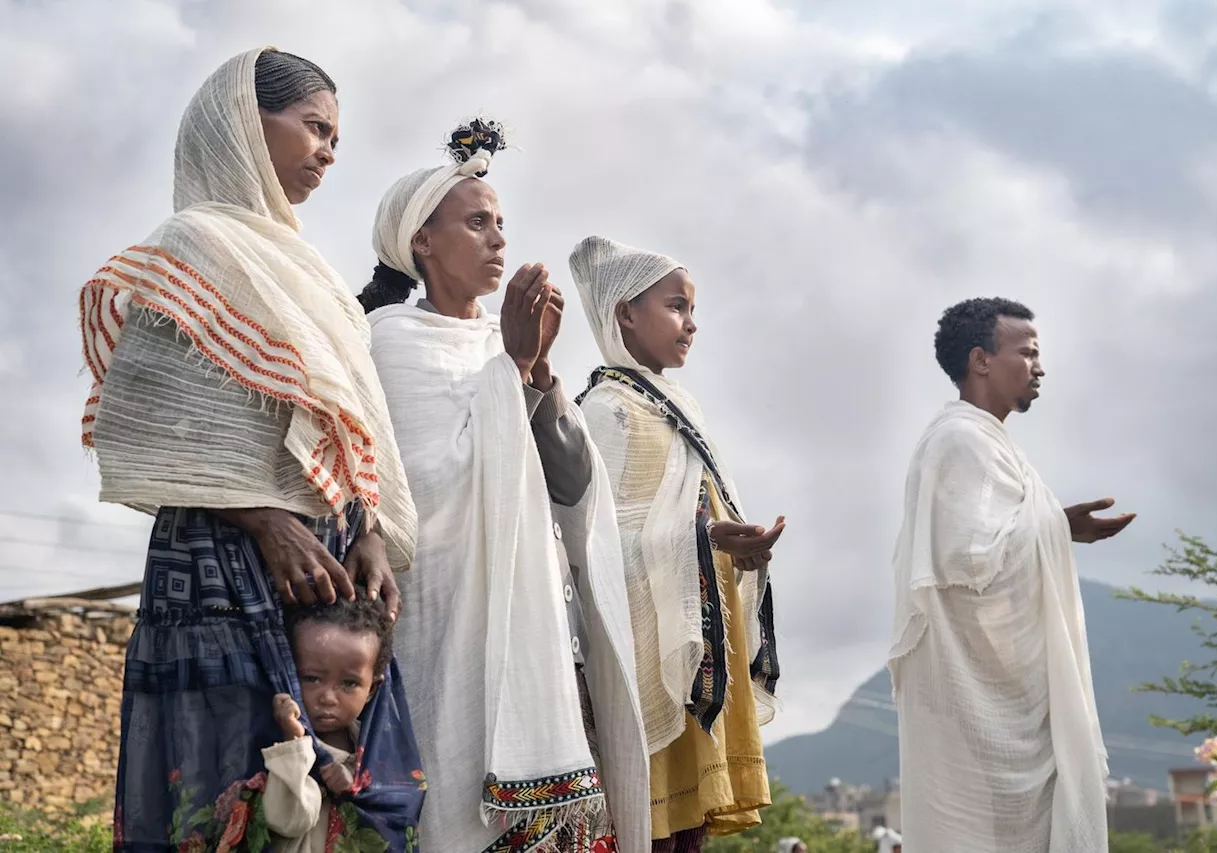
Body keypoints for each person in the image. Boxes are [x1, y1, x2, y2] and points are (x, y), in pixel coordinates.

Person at [78, 48, 422, 850]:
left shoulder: (312, 274)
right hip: (218, 563)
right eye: (315, 128)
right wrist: (265, 519)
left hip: (326, 568)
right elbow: (147, 425)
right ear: (241, 123)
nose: (331, 152)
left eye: (337, 137)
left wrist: (367, 526)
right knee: (223, 784)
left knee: (323, 798)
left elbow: (348, 423)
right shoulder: (191, 247)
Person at [359, 119, 649, 853]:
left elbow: (573, 485)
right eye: (477, 222)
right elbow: (420, 488)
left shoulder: (500, 345)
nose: (497, 239)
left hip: (535, 633)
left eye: (502, 224)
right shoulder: (386, 341)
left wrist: (536, 373)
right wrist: (510, 370)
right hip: (442, 620)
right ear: (422, 240)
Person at [887, 297, 1136, 852]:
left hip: (1009, 703)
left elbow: (987, 545)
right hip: (978, 711)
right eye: (1028, 353)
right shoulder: (960, 439)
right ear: (981, 360)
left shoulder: (992, 443)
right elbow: (967, 562)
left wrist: (1056, 527)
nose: (1040, 367)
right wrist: (1051, 526)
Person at [571, 236, 783, 851]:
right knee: (644, 825)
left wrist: (732, 547)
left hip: (692, 645)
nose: (691, 324)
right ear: (625, 313)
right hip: (645, 652)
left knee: (684, 832)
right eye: (676, 307)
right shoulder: (607, 410)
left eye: (692, 310)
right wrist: (702, 538)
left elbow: (685, 513)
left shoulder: (676, 406)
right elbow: (594, 543)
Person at [262, 594, 401, 851]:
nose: (327, 698)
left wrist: (354, 783)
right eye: (312, 678)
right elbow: (288, 821)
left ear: (372, 688)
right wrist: (292, 744)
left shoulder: (373, 745)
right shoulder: (279, 737)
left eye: (349, 683)